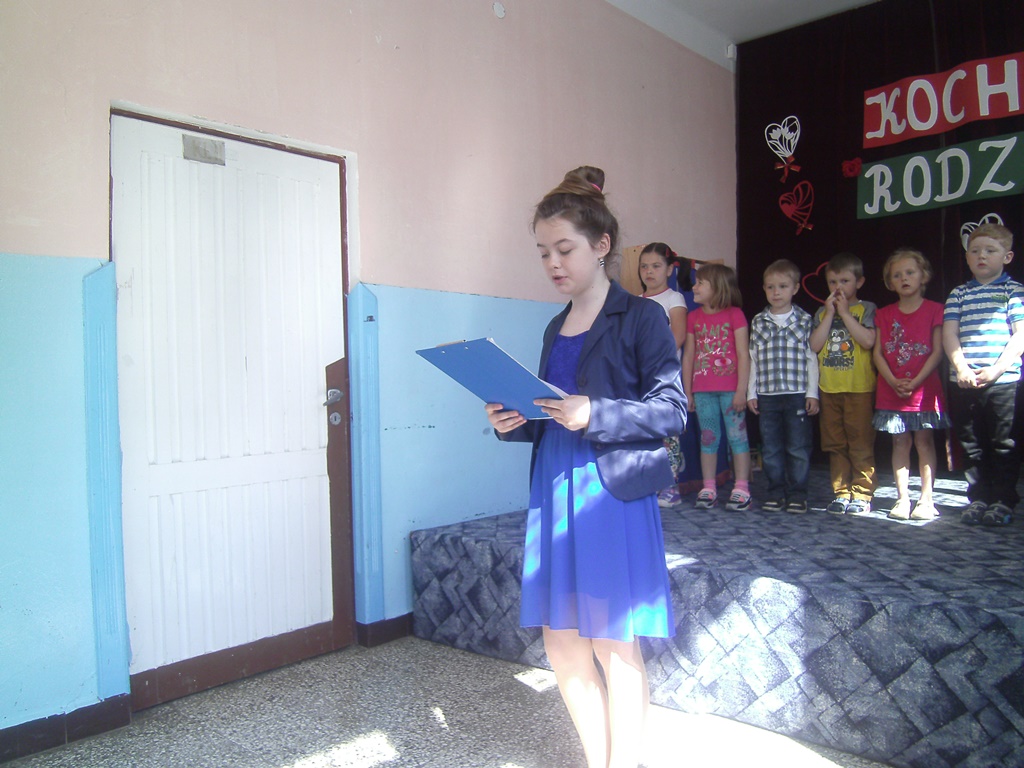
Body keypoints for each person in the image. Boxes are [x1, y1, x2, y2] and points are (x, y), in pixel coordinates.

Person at [485, 166, 686, 768]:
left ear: (602, 246)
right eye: (543, 251)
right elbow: (555, 412)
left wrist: (594, 412)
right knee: (563, 644)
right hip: (555, 485)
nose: (553, 262)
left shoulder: (643, 317)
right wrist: (515, 421)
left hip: (609, 492)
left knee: (613, 644)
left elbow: (672, 411)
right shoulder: (555, 324)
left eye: (564, 249)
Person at [943, 223, 1024, 526]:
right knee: (971, 442)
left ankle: (1003, 499)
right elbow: (949, 334)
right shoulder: (959, 294)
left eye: (990, 250)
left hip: (1003, 382)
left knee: (1004, 443)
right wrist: (961, 368)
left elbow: (1020, 335)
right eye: (975, 251)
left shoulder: (1012, 291)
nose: (981, 256)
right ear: (966, 257)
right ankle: (978, 497)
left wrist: (996, 370)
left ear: (1007, 256)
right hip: (964, 382)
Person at [872, 249, 948, 521]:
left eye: (910, 273)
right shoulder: (883, 314)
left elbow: (938, 352)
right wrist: (893, 380)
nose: (904, 278)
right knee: (899, 441)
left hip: (924, 390)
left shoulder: (935, 310)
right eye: (897, 275)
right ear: (890, 282)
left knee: (924, 441)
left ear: (923, 276)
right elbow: (878, 353)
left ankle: (926, 499)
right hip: (891, 390)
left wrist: (915, 382)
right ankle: (902, 498)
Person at [746, 259, 819, 514]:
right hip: (767, 395)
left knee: (797, 447)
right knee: (771, 447)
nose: (776, 292)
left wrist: (812, 393)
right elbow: (753, 358)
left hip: (796, 393)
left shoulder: (805, 320)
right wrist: (751, 392)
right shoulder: (758, 321)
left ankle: (798, 494)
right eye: (770, 287)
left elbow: (811, 358)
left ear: (795, 288)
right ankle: (775, 492)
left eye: (783, 286)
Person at [809, 252, 877, 515]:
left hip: (859, 389)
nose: (838, 288)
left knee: (860, 442)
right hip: (829, 389)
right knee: (835, 444)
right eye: (832, 282)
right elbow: (815, 345)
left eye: (845, 281)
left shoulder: (866, 308)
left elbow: (868, 341)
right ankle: (841, 492)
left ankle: (862, 493)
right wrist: (829, 314)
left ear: (859, 282)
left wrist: (845, 314)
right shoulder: (821, 312)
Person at [682, 263, 752, 510]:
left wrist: (741, 390)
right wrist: (687, 391)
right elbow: (689, 356)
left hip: (731, 390)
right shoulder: (693, 317)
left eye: (701, 283)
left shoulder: (735, 315)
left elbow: (743, 354)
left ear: (718, 288)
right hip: (702, 390)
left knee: (737, 437)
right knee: (708, 438)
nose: (694, 287)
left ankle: (741, 487)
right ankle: (708, 486)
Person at [639, 241, 688, 508]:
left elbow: (677, 336)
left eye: (656, 266)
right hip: (639, 377)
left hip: (665, 377)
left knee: (667, 431)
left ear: (669, 269)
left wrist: (653, 362)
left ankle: (671, 486)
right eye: (644, 266)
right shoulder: (636, 301)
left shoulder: (673, 299)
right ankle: (649, 484)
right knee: (644, 430)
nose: (649, 271)